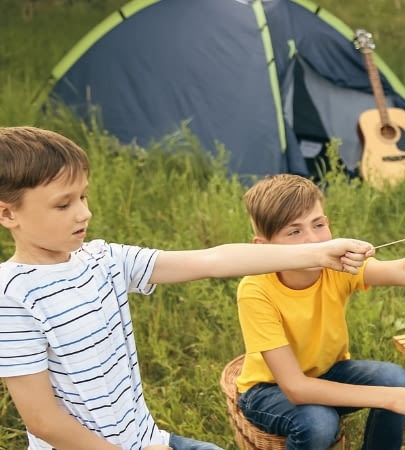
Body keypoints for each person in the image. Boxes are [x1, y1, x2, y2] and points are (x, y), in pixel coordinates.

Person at [0, 126, 374, 450]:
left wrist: (318, 252)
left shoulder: (103, 259)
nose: (84, 213)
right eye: (63, 205)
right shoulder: (13, 297)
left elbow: (213, 260)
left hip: (148, 439)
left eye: (83, 196)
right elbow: (44, 421)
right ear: (8, 213)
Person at [234, 174, 405, 450]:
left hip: (326, 371)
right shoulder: (256, 290)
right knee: (319, 422)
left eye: (318, 224)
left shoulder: (334, 265)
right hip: (268, 390)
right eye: (294, 231)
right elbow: (296, 388)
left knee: (396, 380)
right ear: (263, 247)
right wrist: (388, 398)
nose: (313, 239)